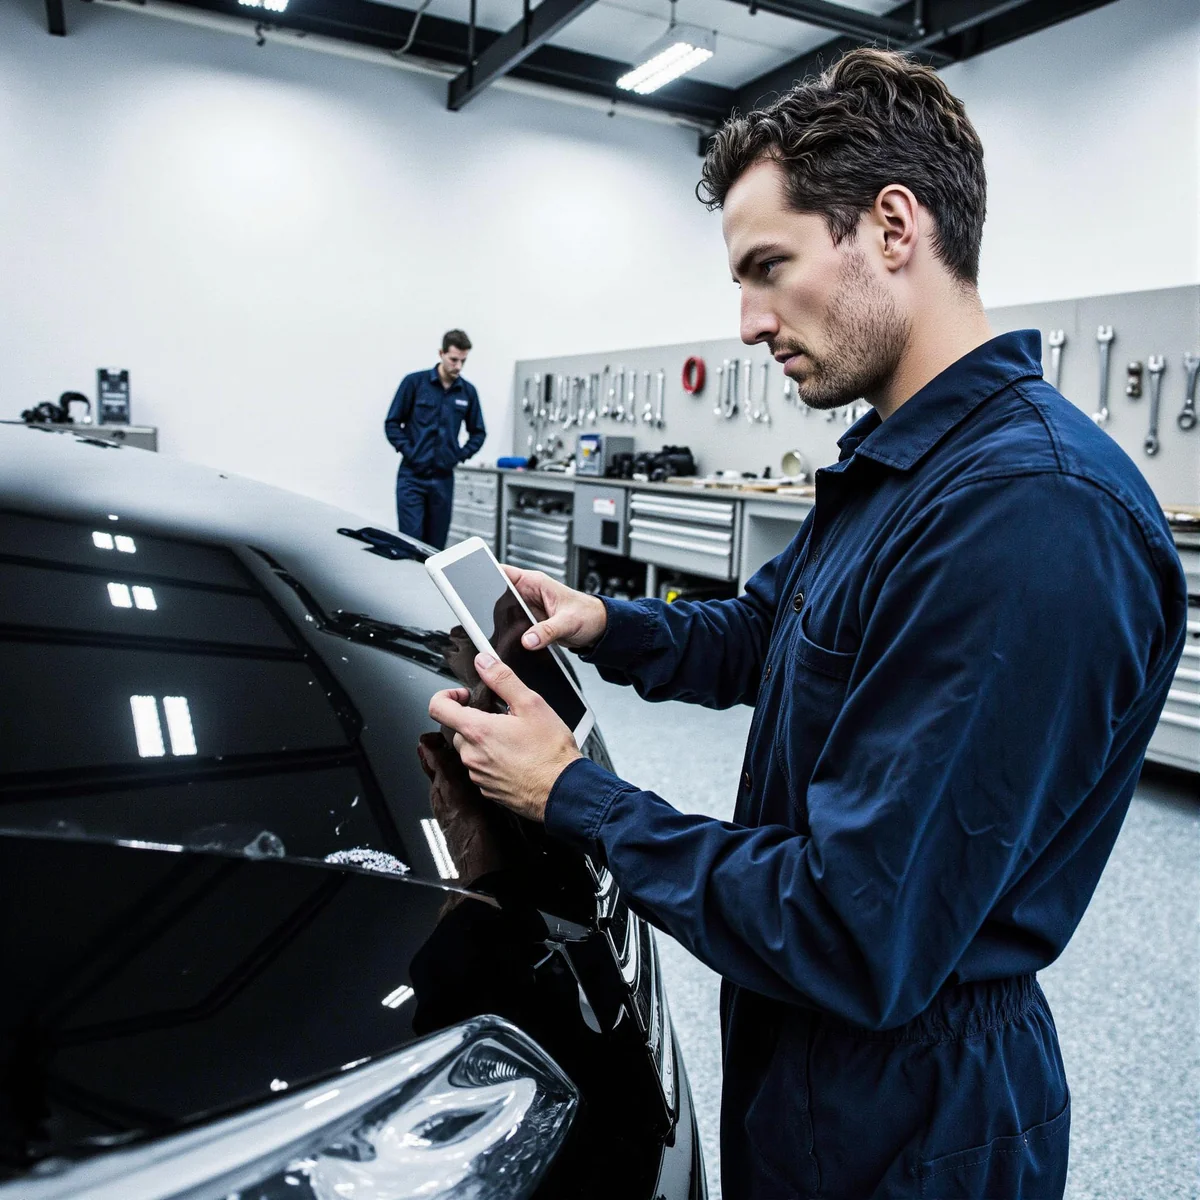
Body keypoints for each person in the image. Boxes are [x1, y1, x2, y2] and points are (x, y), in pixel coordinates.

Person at [429, 49, 1188, 1200]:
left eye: (769, 268)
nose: (745, 323)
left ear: (893, 227)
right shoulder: (900, 468)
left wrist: (574, 796)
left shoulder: (1029, 515)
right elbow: (761, 633)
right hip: (811, 1062)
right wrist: (604, 622)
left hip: (916, 1119)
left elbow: (853, 924)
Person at [385, 329, 486, 549]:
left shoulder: (467, 392)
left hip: (443, 480)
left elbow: (478, 432)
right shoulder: (414, 383)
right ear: (441, 353)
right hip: (412, 478)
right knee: (410, 544)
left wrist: (458, 455)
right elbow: (392, 424)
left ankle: (428, 586)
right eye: (453, 360)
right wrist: (410, 452)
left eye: (463, 361)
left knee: (435, 549)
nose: (458, 366)